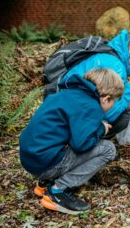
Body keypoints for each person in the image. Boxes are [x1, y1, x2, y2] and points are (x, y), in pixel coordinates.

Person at [19, 69, 124, 214]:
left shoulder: (65, 94)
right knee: (108, 149)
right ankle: (57, 191)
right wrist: (101, 129)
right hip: (46, 163)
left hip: (30, 159)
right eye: (114, 101)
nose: (113, 106)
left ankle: (44, 183)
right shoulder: (91, 106)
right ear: (106, 99)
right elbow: (81, 145)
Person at [62, 29, 130, 144]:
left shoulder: (110, 53)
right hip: (72, 122)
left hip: (66, 111)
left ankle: (129, 143)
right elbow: (108, 112)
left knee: (127, 94)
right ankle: (98, 143)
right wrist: (128, 90)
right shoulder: (116, 66)